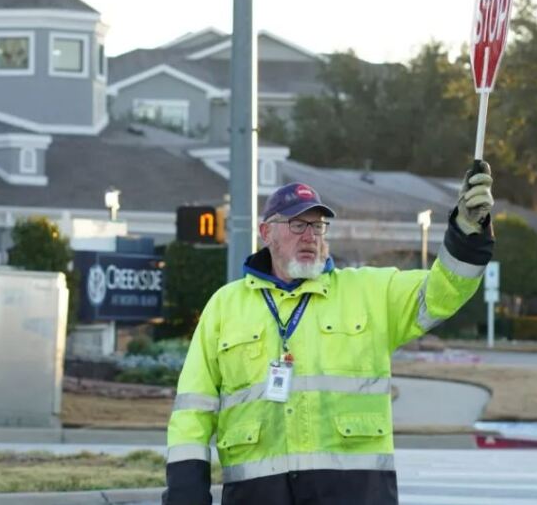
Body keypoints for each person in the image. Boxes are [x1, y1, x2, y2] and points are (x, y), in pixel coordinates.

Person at [163, 163, 495, 505]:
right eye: (298, 224)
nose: (310, 236)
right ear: (266, 232)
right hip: (258, 495)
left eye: (318, 225)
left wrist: (467, 231)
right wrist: (186, 493)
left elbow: (442, 293)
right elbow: (193, 410)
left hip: (356, 494)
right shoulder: (225, 306)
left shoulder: (369, 293)